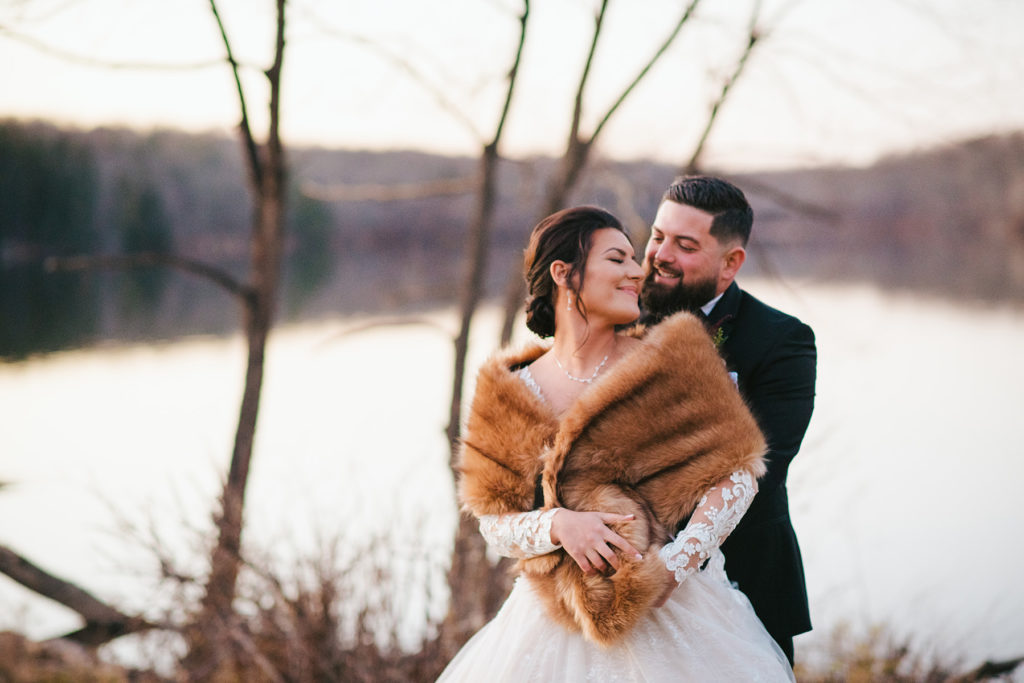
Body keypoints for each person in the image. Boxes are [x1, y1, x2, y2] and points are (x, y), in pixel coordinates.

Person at [438, 206, 793, 681]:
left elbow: (739, 475)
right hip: (550, 620)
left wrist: (675, 565)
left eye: (634, 258)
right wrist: (559, 526)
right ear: (565, 274)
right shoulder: (507, 389)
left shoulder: (674, 357)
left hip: (676, 616)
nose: (637, 271)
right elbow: (493, 523)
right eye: (617, 259)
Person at [639, 175, 817, 664]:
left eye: (686, 244)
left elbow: (766, 463)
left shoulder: (782, 340)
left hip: (746, 580)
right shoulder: (619, 320)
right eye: (658, 236)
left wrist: (678, 556)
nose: (661, 254)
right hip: (626, 578)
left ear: (731, 262)